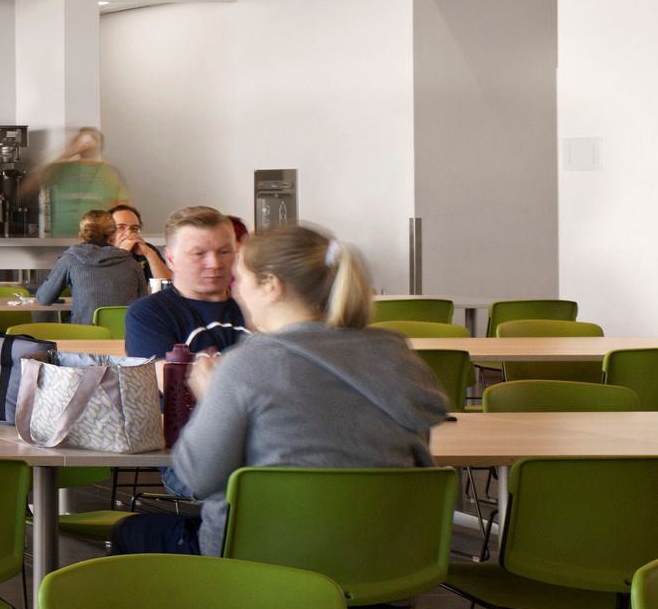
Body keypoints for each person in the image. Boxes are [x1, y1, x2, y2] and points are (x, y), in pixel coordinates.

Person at [112, 224, 446, 557]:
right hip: (391, 575)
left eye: (240, 279)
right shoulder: (397, 354)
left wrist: (211, 397)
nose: (237, 291)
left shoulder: (247, 364)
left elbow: (197, 478)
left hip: (267, 573)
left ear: (271, 286)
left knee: (130, 532)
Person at [121, 205, 250, 359]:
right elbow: (162, 380)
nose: (215, 263)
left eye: (224, 252)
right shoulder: (148, 314)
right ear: (170, 259)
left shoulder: (256, 308)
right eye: (199, 254)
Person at [33, 209, 150, 325]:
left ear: (82, 232)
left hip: (84, 335)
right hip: (123, 336)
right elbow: (143, 303)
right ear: (112, 234)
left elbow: (44, 298)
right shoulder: (131, 262)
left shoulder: (71, 259)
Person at [27, 126, 130, 233]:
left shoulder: (111, 173)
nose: (87, 142)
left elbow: (124, 210)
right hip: (60, 242)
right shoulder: (59, 169)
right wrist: (69, 152)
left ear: (101, 145)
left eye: (93, 138)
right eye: (82, 139)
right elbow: (30, 186)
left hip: (100, 241)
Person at [108, 203, 171, 283]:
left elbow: (168, 285)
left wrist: (149, 253)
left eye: (134, 228)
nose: (129, 233)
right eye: (121, 227)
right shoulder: (99, 252)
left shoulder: (146, 249)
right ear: (108, 230)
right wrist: (122, 253)